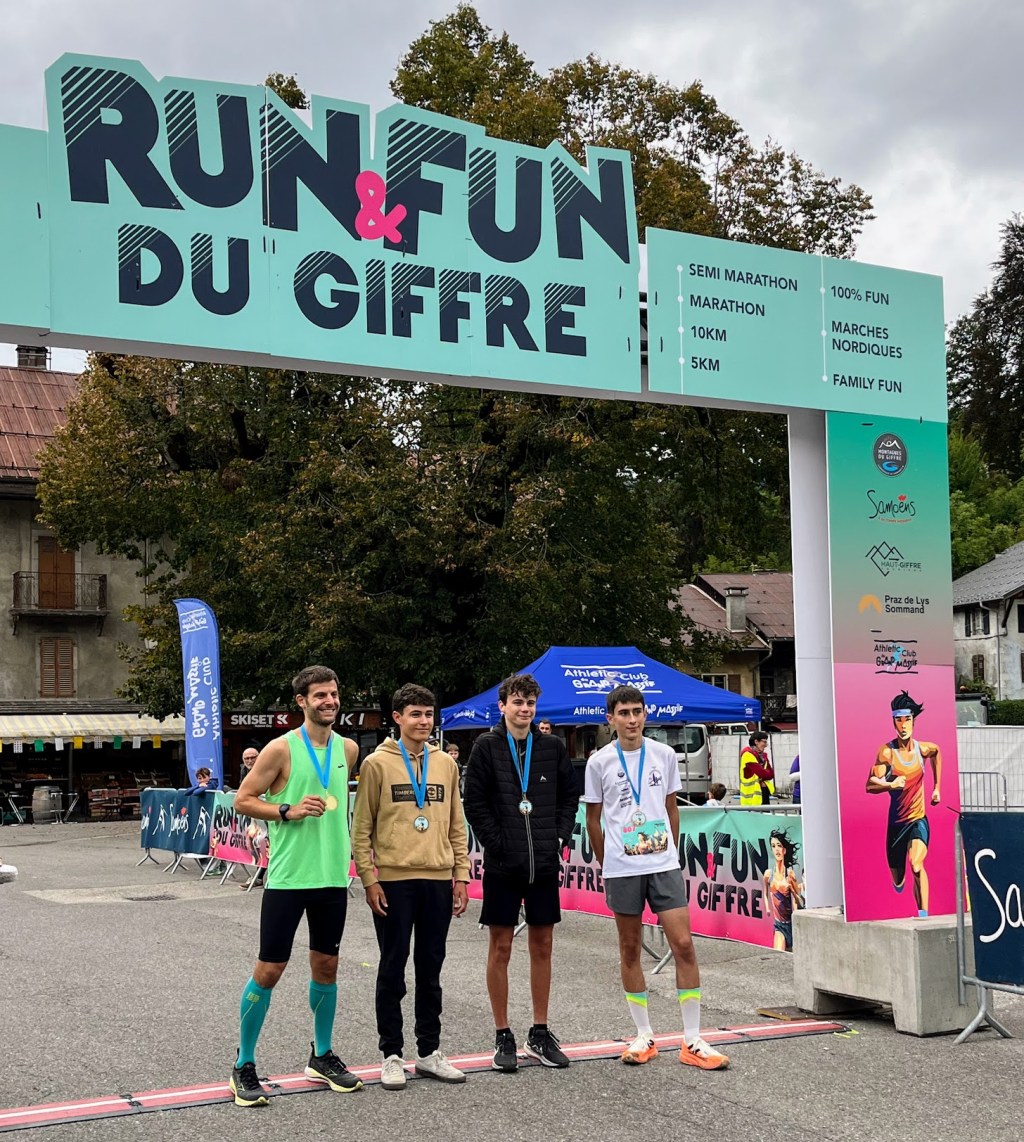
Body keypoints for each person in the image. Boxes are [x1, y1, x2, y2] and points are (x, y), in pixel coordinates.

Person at [228, 665, 361, 1108]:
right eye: (320, 695)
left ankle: (321, 1056)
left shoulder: (348, 748)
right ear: (302, 701)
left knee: (327, 967)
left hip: (332, 877)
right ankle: (243, 1064)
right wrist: (286, 810)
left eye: (334, 693)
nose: (330, 701)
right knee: (269, 970)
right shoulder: (280, 748)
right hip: (288, 879)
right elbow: (243, 799)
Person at [584, 685, 730, 1072]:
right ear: (611, 718)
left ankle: (693, 1040)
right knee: (630, 950)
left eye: (637, 711)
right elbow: (593, 819)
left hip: (662, 864)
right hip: (622, 868)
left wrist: (670, 853)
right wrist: (607, 862)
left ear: (645, 714)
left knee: (683, 944)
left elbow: (671, 809)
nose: (632, 719)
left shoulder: (663, 755)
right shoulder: (599, 762)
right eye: (624, 713)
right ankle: (644, 1035)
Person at [352, 684, 470, 1091]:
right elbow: (361, 827)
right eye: (415, 714)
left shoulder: (446, 764)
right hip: (393, 881)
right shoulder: (376, 764)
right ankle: (391, 1054)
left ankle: (429, 1051)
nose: (423, 721)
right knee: (392, 967)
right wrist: (369, 878)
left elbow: (456, 824)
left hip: (437, 878)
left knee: (431, 969)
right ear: (397, 718)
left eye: (428, 714)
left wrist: (461, 875)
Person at [463, 672, 579, 1073]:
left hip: (543, 862)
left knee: (543, 945)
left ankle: (540, 1032)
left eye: (530, 703)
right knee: (501, 947)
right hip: (503, 864)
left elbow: (569, 795)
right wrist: (498, 844)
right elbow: (474, 803)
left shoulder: (551, 746)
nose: (524, 709)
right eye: (517, 702)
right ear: (503, 706)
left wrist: (558, 836)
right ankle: (503, 1033)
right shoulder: (486, 746)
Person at [865, 690, 941, 917]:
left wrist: (937, 787)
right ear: (894, 722)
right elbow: (870, 784)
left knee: (916, 865)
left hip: (918, 819)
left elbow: (936, 752)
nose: (903, 725)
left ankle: (923, 915)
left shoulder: (922, 749)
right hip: (896, 825)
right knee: (898, 879)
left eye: (907, 719)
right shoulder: (887, 753)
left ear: (913, 721)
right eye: (899, 720)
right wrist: (890, 785)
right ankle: (899, 882)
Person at [763, 828, 804, 950]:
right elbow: (765, 893)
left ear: (784, 850)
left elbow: (800, 902)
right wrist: (767, 907)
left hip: (791, 924)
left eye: (779, 845)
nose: (776, 849)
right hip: (778, 925)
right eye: (773, 846)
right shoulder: (768, 874)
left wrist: (794, 892)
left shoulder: (790, 874)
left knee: (791, 957)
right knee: (778, 954)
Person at [739, 733, 775, 806]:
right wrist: (763, 775)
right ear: (756, 742)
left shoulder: (763, 756)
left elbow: (771, 774)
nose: (766, 745)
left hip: (761, 794)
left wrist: (763, 776)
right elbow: (763, 774)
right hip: (751, 799)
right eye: (764, 742)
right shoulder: (747, 755)